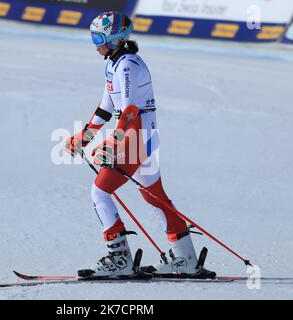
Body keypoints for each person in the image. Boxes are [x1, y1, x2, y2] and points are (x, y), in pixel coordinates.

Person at [65, 11, 215, 279]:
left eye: (98, 38)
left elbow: (131, 111)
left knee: (100, 193)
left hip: (136, 141)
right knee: (153, 195)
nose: (94, 44)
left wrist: (114, 143)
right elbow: (106, 106)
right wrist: (84, 136)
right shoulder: (113, 63)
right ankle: (185, 258)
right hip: (140, 139)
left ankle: (120, 258)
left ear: (115, 39)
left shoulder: (128, 66)